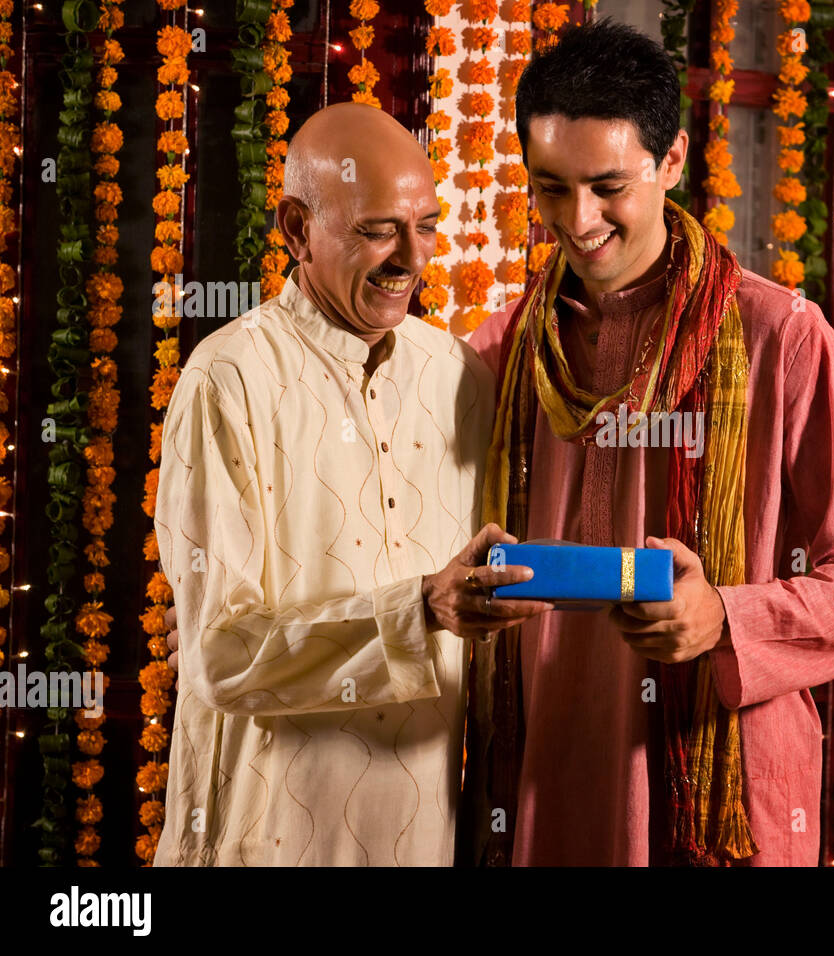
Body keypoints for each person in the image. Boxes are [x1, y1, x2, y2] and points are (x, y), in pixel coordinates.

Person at [460, 20, 834, 867]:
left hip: (719, 799)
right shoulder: (500, 350)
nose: (577, 219)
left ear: (673, 161)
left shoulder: (780, 337)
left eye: (607, 185)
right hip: (543, 789)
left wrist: (727, 617)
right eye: (551, 188)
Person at [153, 103, 549, 866]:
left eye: (426, 226)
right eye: (377, 230)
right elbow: (217, 655)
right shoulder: (229, 380)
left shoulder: (459, 378)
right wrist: (419, 610)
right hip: (262, 833)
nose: (412, 258)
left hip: (419, 831)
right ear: (297, 229)